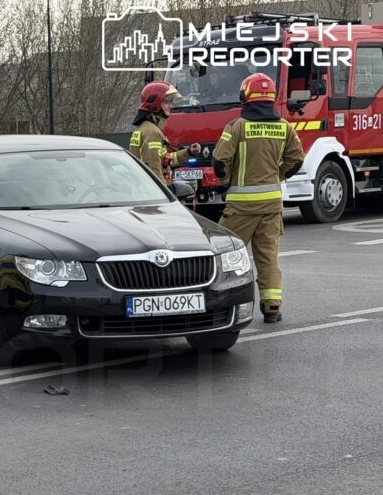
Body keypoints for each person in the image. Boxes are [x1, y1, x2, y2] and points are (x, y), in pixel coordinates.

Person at [212, 72, 304, 323]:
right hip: (272, 205)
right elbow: (297, 160)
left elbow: (219, 162)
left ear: (246, 96)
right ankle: (272, 307)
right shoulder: (285, 126)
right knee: (268, 257)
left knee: (226, 256)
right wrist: (277, 175)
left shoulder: (237, 127)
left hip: (240, 208)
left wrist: (227, 183)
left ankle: (224, 305)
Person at [128, 82, 201, 182]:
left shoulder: (147, 127)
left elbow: (164, 160)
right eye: (166, 102)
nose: (170, 106)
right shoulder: (152, 132)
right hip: (153, 189)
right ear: (155, 103)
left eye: (170, 102)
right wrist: (164, 191)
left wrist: (188, 152)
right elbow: (154, 171)